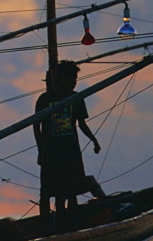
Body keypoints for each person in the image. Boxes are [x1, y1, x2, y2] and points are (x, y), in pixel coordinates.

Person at [33, 60, 106, 214]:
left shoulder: (76, 97)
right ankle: (45, 224)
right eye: (70, 79)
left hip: (71, 151)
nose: (73, 83)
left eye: (74, 80)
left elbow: (82, 124)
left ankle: (70, 220)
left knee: (71, 191)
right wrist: (41, 151)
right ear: (60, 79)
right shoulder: (45, 99)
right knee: (46, 192)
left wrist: (94, 140)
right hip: (51, 153)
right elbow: (36, 126)